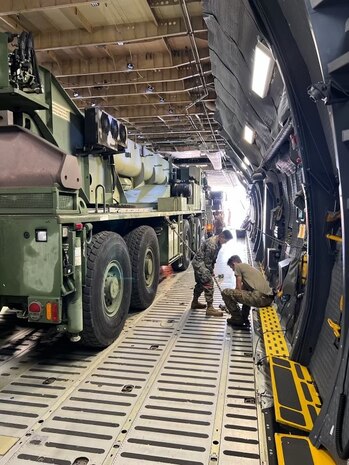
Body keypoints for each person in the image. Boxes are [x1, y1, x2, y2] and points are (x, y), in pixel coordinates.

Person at [191, 229, 233, 317]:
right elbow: (207, 261)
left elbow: (213, 259)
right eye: (225, 241)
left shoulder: (218, 244)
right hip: (200, 263)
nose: (225, 243)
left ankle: (194, 302)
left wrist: (212, 269)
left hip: (202, 262)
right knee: (208, 282)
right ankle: (210, 308)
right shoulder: (212, 244)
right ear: (221, 236)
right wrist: (210, 271)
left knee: (200, 283)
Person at [222, 255, 274, 326]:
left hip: (258, 298)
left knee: (225, 292)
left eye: (232, 268)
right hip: (267, 299)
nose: (233, 270)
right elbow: (243, 292)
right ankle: (244, 318)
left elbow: (238, 289)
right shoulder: (249, 268)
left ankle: (237, 318)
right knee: (247, 293)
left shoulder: (238, 266)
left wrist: (231, 299)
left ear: (234, 263)